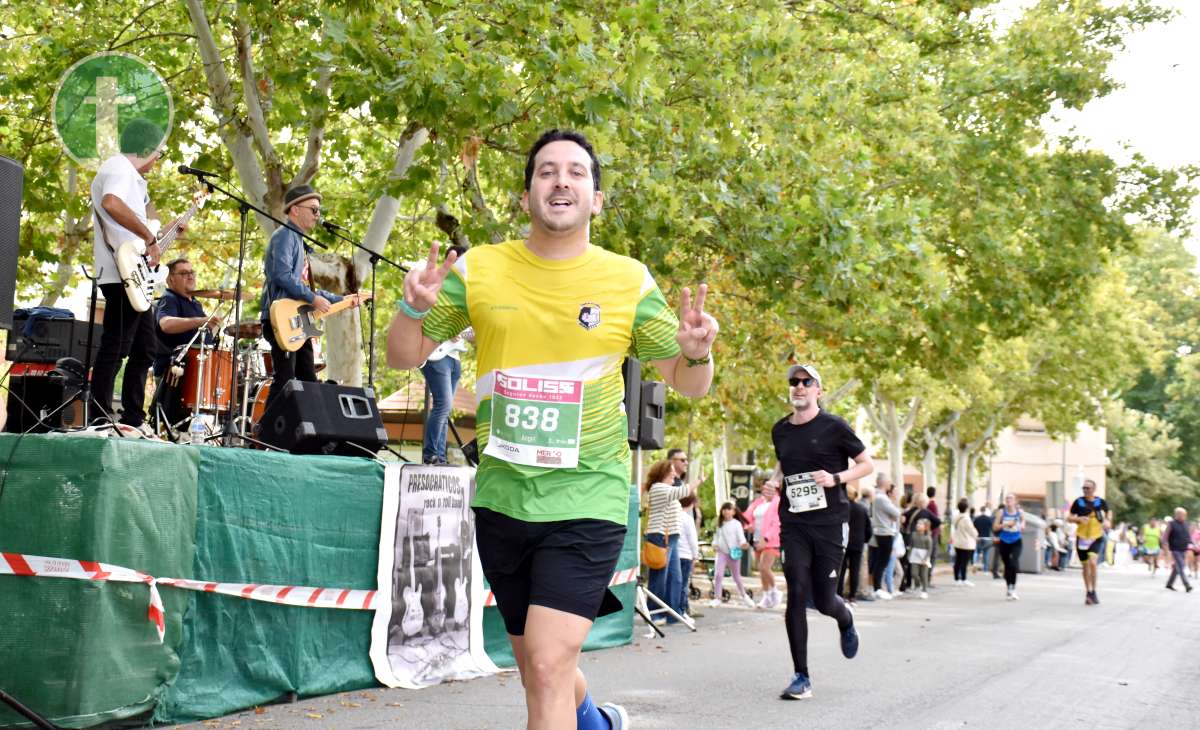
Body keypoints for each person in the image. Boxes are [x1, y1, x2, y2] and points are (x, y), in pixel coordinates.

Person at [386, 129, 718, 730]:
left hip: (587, 495)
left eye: (576, 172)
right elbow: (405, 355)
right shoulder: (481, 269)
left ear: (595, 199)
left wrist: (695, 352)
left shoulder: (627, 280)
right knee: (540, 665)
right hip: (503, 501)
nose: (561, 180)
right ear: (525, 196)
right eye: (546, 171)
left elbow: (688, 381)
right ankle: (597, 721)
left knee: (544, 665)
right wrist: (410, 308)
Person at [764, 363, 873, 701]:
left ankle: (845, 616)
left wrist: (835, 478)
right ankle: (801, 676)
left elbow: (867, 464)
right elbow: (785, 461)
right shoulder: (780, 430)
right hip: (794, 522)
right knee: (796, 590)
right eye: (794, 382)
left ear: (818, 390)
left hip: (828, 524)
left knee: (824, 600)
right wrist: (773, 480)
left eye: (806, 382)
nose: (799, 386)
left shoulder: (835, 426)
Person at [90, 118, 182, 430]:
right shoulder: (118, 168)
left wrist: (161, 233)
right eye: (160, 153)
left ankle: (132, 418)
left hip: (134, 275)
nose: (159, 160)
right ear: (147, 149)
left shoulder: (132, 178)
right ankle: (99, 416)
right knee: (116, 345)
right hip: (120, 274)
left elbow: (143, 223)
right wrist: (150, 236)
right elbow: (111, 203)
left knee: (145, 348)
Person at [258, 185, 361, 414]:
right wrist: (312, 298)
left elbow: (305, 288)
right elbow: (281, 275)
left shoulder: (300, 243)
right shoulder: (284, 236)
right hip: (282, 319)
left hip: (298, 319)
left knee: (308, 380)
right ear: (295, 210)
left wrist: (341, 299)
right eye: (314, 210)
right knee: (285, 379)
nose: (318, 216)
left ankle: (310, 431)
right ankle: (264, 434)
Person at [152, 258, 223, 433]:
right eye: (184, 273)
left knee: (183, 427)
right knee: (171, 425)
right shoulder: (169, 299)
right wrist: (201, 320)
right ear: (170, 279)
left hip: (196, 371)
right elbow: (166, 324)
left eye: (192, 272)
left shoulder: (195, 303)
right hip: (175, 373)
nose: (190, 276)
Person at [419, 263, 472, 464]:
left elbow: (470, 332)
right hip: (436, 354)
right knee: (443, 404)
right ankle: (431, 453)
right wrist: (450, 330)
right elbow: (422, 318)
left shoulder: (468, 293)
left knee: (445, 408)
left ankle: (439, 456)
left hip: (453, 357)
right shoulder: (436, 287)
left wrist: (465, 332)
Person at [644, 460, 694, 621]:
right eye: (671, 471)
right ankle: (655, 613)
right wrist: (698, 481)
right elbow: (681, 492)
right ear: (663, 472)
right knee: (660, 577)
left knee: (675, 577)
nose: (674, 473)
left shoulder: (667, 489)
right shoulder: (658, 488)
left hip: (671, 537)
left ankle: (673, 614)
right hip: (660, 536)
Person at [1067, 478, 1111, 606]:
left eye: (1088, 488)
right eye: (1084, 488)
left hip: (1096, 537)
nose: (1085, 490)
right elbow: (1069, 518)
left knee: (1093, 562)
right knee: (1085, 566)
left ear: (1094, 489)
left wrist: (1107, 521)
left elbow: (1109, 515)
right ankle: (1089, 591)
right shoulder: (1078, 502)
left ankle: (1094, 590)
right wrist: (1078, 519)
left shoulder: (1100, 502)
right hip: (1082, 537)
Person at [744, 480, 782, 608]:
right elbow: (749, 517)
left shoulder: (777, 503)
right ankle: (766, 597)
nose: (767, 490)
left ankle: (775, 592)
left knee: (764, 567)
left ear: (776, 490)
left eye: (770, 488)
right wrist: (749, 526)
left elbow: (776, 523)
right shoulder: (758, 502)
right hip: (756, 539)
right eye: (765, 488)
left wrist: (765, 539)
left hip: (770, 540)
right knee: (761, 570)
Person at [711, 501, 756, 607]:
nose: (726, 511)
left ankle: (744, 596)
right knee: (718, 575)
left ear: (734, 512)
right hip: (721, 553)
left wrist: (743, 544)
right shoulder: (720, 525)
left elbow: (741, 538)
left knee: (736, 577)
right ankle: (717, 597)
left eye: (729, 509)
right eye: (724, 509)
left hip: (733, 553)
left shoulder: (737, 524)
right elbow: (716, 538)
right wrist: (715, 545)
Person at [899, 492, 940, 594]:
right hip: (922, 541)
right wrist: (928, 531)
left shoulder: (909, 512)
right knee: (922, 563)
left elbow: (902, 522)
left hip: (909, 539)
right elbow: (938, 521)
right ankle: (922, 583)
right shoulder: (926, 512)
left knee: (909, 562)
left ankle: (908, 584)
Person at [869, 475, 900, 600]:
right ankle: (877, 588)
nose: (890, 485)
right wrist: (894, 515)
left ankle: (876, 587)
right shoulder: (882, 498)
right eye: (889, 482)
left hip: (880, 531)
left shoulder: (876, 496)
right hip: (884, 532)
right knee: (882, 561)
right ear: (885, 483)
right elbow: (896, 513)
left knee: (878, 561)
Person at [840, 484, 871, 605]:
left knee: (841, 569)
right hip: (858, 543)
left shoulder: (841, 508)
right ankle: (852, 596)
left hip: (843, 542)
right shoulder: (862, 509)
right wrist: (864, 540)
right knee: (855, 570)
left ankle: (839, 594)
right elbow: (869, 529)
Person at [993, 494, 1025, 601]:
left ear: (1015, 501)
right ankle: (1009, 587)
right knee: (1007, 565)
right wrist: (1005, 525)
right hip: (1004, 541)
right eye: (1007, 499)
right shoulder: (1001, 512)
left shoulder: (1020, 512)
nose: (1008, 500)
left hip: (1016, 540)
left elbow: (1023, 522)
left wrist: (1022, 525)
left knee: (1013, 563)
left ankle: (1013, 587)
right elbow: (995, 527)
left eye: (1011, 498)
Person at [676, 494, 701, 618]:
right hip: (686, 555)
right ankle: (682, 609)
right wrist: (695, 555)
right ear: (691, 504)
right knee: (684, 584)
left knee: (675, 583)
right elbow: (692, 539)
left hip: (674, 555)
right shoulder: (687, 518)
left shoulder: (674, 516)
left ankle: (675, 608)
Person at [1163, 507, 1193, 593]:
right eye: (1182, 514)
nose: (1184, 516)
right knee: (1181, 565)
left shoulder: (1186, 524)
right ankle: (1187, 585)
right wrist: (1165, 545)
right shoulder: (1171, 524)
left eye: (1185, 515)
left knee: (1177, 567)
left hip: (1183, 548)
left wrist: (1193, 544)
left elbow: (1188, 536)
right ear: (1177, 515)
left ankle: (1169, 583)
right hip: (1175, 549)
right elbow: (1165, 536)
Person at [950, 498, 977, 586]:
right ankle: (963, 578)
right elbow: (972, 531)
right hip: (966, 543)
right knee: (964, 562)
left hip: (957, 541)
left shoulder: (956, 517)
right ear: (966, 508)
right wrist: (976, 535)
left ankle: (956, 579)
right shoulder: (966, 519)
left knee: (958, 560)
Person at [909, 518, 934, 599]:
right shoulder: (913, 534)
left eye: (920, 524)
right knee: (914, 573)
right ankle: (917, 584)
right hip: (915, 555)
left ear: (925, 527)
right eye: (917, 524)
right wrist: (909, 555)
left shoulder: (928, 537)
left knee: (924, 575)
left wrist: (925, 558)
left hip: (924, 556)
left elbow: (930, 549)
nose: (918, 525)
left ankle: (924, 591)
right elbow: (911, 545)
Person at [973, 503, 995, 577]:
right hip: (987, 538)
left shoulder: (976, 519)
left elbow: (973, 528)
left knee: (977, 553)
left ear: (980, 510)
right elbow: (992, 528)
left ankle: (975, 564)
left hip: (978, 538)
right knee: (986, 554)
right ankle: (985, 570)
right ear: (985, 511)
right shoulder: (989, 519)